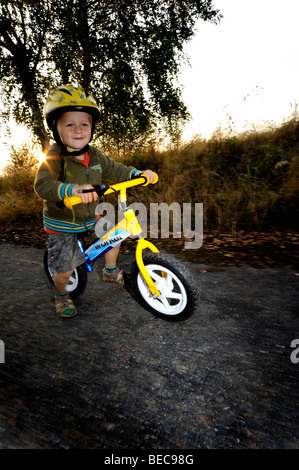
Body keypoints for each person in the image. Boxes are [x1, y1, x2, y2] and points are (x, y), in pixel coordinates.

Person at [34, 84, 155, 318]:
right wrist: (71, 190)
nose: (78, 129)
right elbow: (43, 185)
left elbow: (115, 169)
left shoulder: (96, 154)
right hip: (63, 223)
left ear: (92, 128)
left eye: (84, 124)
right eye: (70, 124)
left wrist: (136, 174)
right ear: (56, 128)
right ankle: (61, 295)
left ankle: (110, 270)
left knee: (116, 233)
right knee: (64, 269)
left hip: (91, 216)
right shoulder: (54, 157)